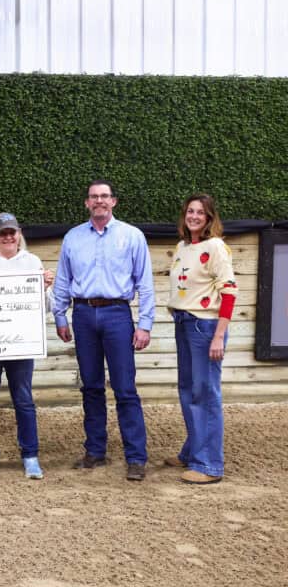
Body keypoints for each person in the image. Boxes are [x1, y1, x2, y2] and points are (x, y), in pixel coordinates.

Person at [53, 180, 155, 482]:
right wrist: (60, 316)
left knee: (125, 388)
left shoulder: (132, 236)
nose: (99, 201)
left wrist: (145, 324)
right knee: (92, 386)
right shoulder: (73, 238)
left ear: (114, 202)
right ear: (87, 203)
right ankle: (95, 451)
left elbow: (145, 283)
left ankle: (136, 457)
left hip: (117, 314)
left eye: (104, 196)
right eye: (94, 197)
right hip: (83, 314)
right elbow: (62, 280)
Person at [0, 213, 54, 480]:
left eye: (12, 232)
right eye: (2, 233)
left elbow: (48, 308)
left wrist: (45, 288)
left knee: (24, 401)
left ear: (19, 234)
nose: (8, 237)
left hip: (21, 345)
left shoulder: (33, 262)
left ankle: (30, 456)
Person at [166, 194, 237, 485]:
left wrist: (219, 336)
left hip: (204, 326)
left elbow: (229, 292)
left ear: (209, 219)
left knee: (205, 394)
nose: (194, 216)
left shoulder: (216, 247)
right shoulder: (183, 247)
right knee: (187, 390)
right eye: (190, 211)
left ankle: (209, 465)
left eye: (201, 213)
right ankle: (193, 450)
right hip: (183, 323)